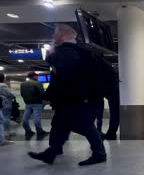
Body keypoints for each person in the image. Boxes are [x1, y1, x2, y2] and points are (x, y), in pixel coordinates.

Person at [28, 24, 106, 166]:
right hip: (83, 96)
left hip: (75, 97)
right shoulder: (85, 50)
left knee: (85, 126)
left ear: (62, 35)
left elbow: (60, 77)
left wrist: (51, 54)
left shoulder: (65, 51)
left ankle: (100, 154)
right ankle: (51, 154)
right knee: (61, 125)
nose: (53, 37)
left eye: (55, 34)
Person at [0, 73, 14, 145]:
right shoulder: (3, 85)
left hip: (1, 104)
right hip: (5, 104)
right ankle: (5, 133)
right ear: (3, 78)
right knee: (5, 118)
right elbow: (10, 94)